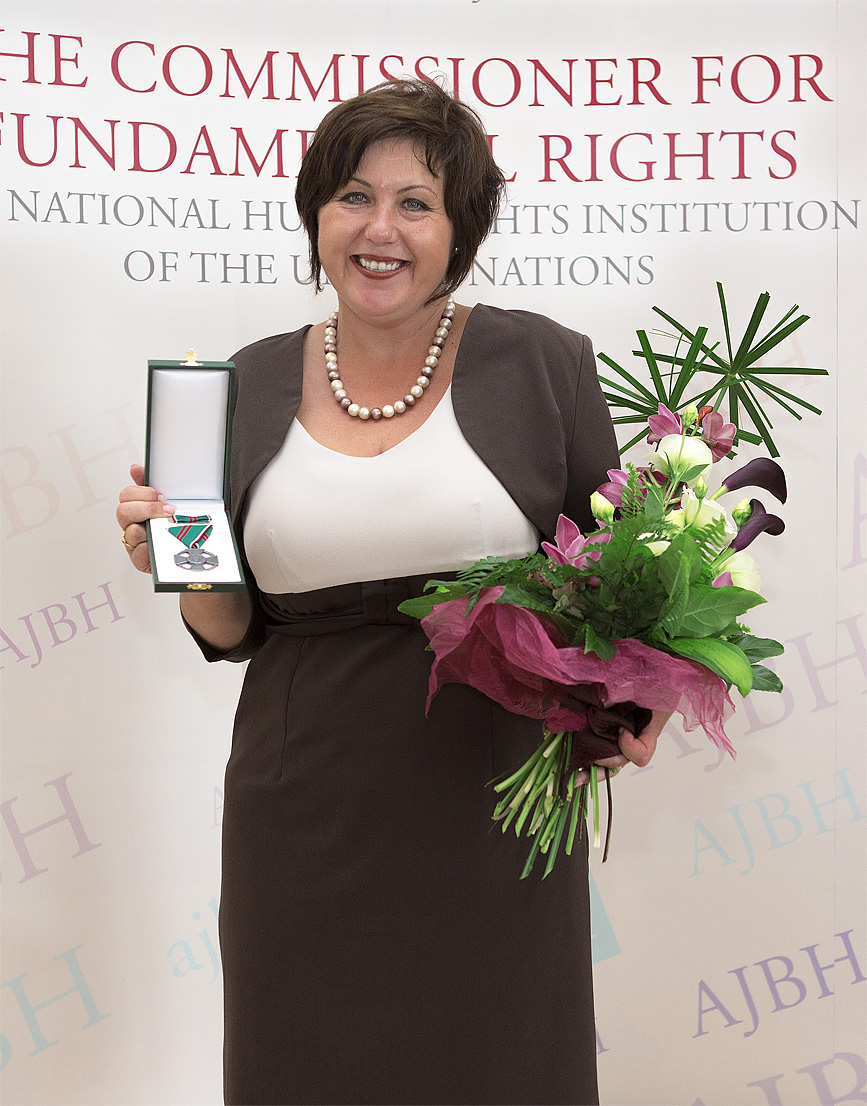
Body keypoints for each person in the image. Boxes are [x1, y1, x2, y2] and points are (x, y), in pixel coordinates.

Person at [118, 79, 666, 1106]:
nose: (381, 229)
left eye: (416, 202)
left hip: (494, 793)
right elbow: (231, 629)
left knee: (503, 1063)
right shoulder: (239, 383)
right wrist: (175, 557)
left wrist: (632, 706)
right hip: (303, 806)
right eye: (353, 197)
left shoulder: (542, 361)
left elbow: (622, 583)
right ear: (316, 214)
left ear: (459, 230)